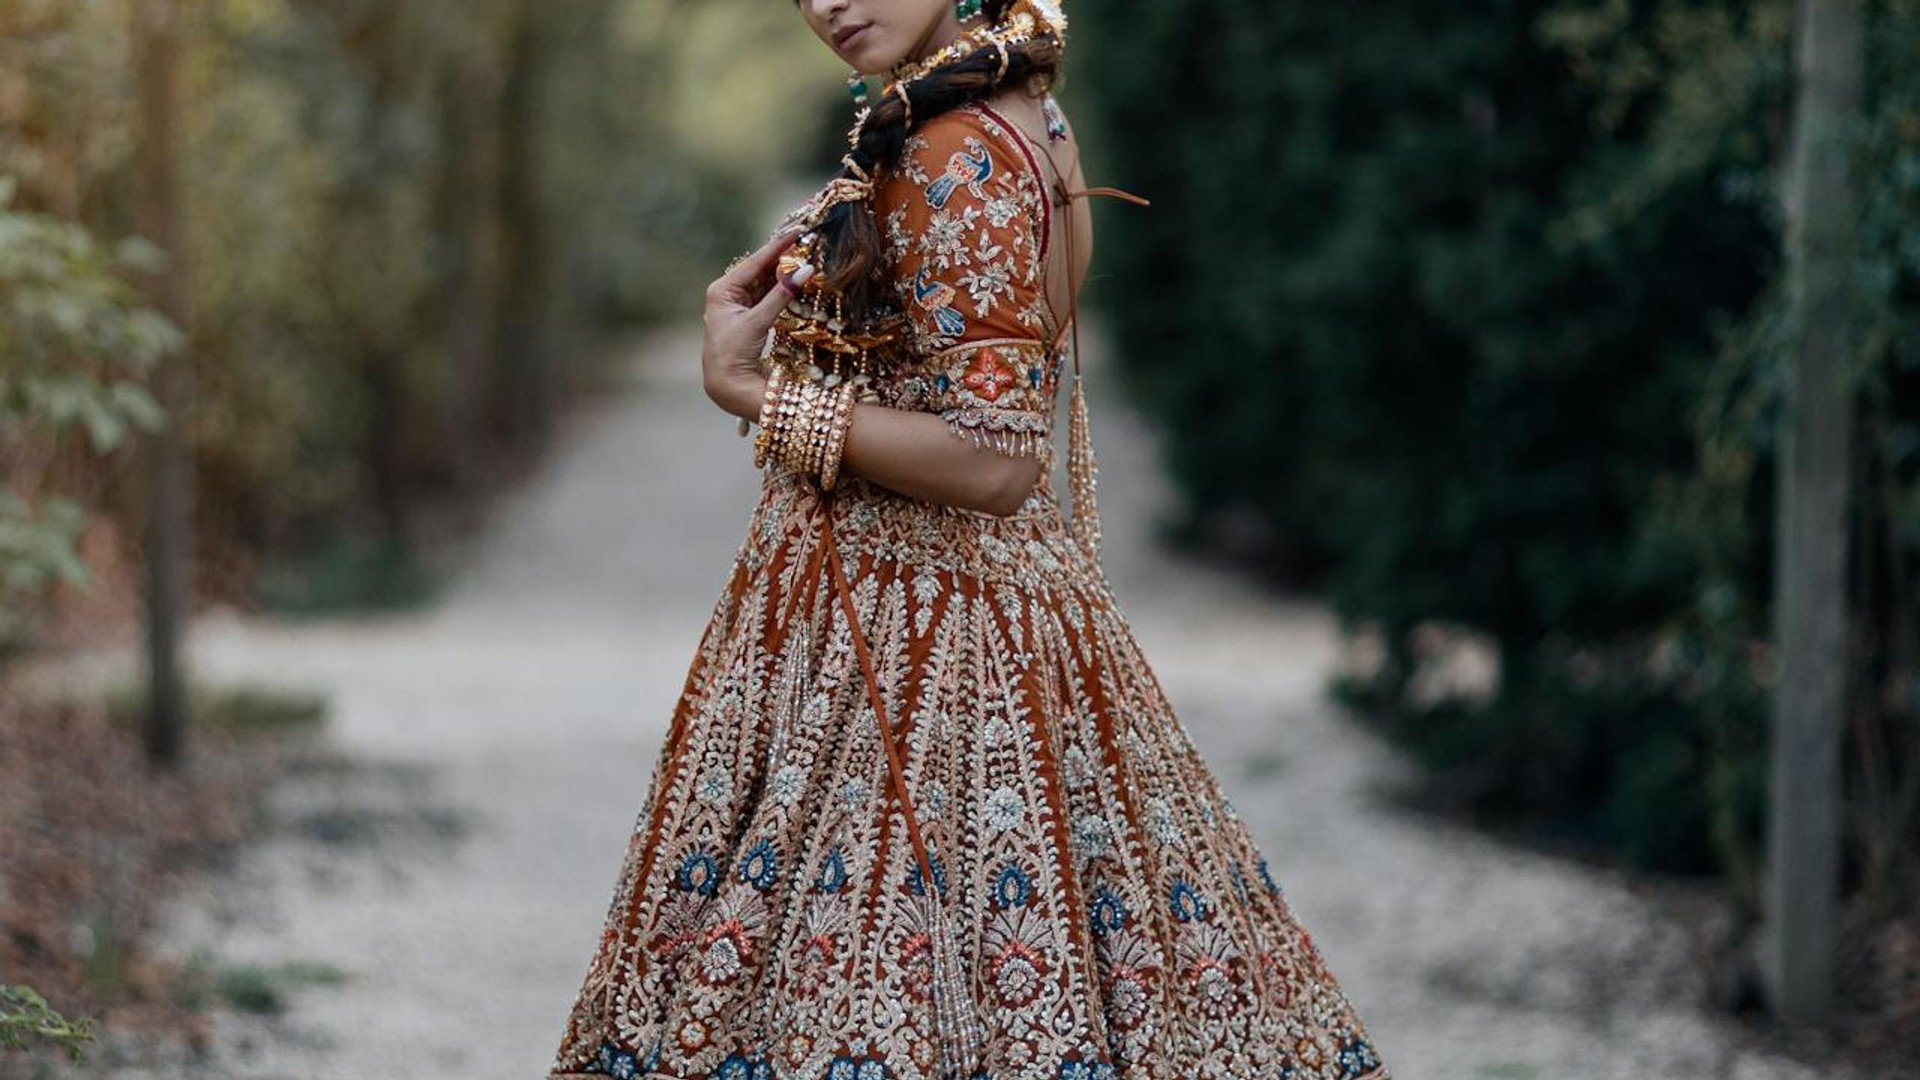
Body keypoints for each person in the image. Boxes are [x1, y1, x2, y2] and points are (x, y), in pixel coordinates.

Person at [547, 2, 1392, 1078]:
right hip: (984, 610)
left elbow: (996, 459)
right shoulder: (1026, 106)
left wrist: (754, 391)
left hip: (920, 642)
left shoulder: (952, 147)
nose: (827, 2)